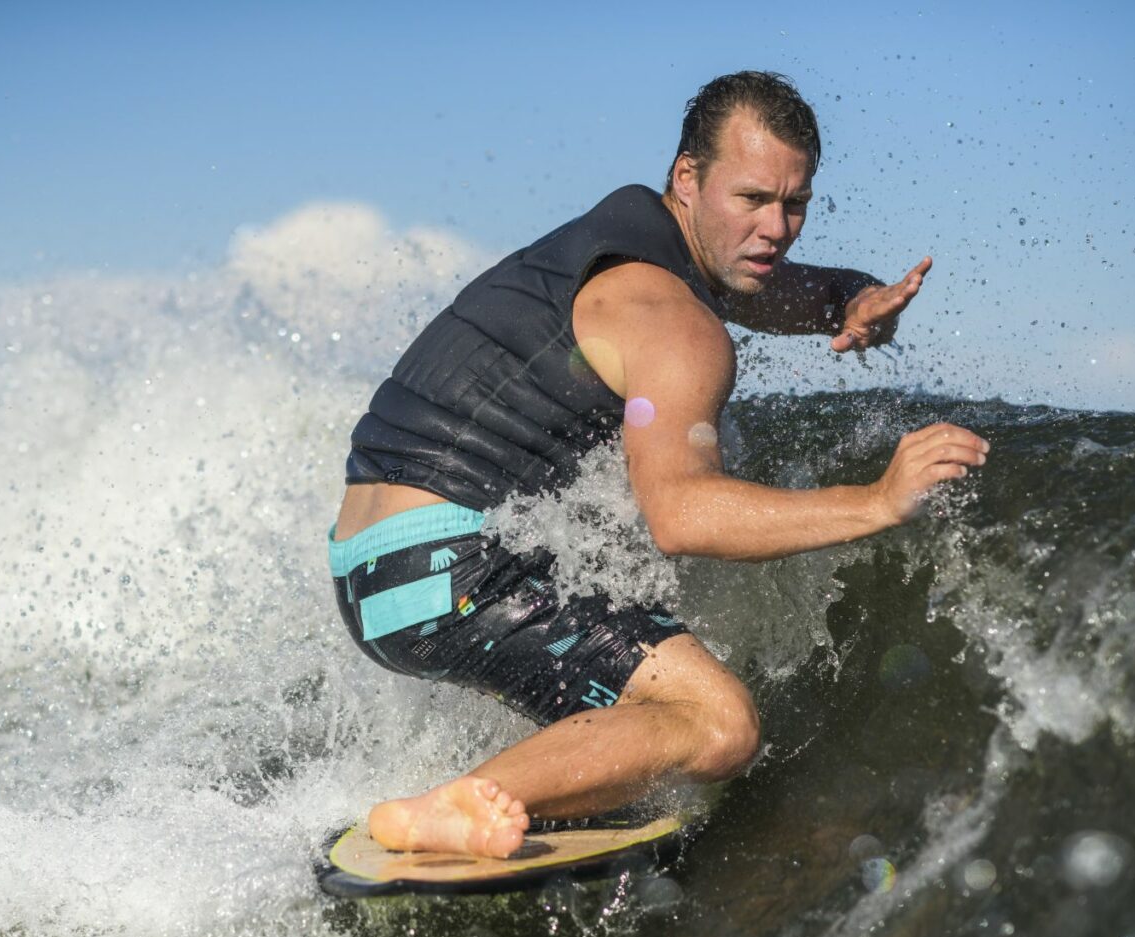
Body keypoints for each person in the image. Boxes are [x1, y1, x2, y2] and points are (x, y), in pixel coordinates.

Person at [328, 71, 989, 859]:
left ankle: (518, 784)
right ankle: (450, 807)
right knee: (718, 723)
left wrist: (844, 297)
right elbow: (681, 514)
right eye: (751, 200)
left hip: (375, 573)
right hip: (448, 573)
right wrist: (877, 501)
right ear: (688, 178)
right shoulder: (675, 324)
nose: (777, 228)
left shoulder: (630, 241)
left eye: (795, 203)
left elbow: (751, 288)